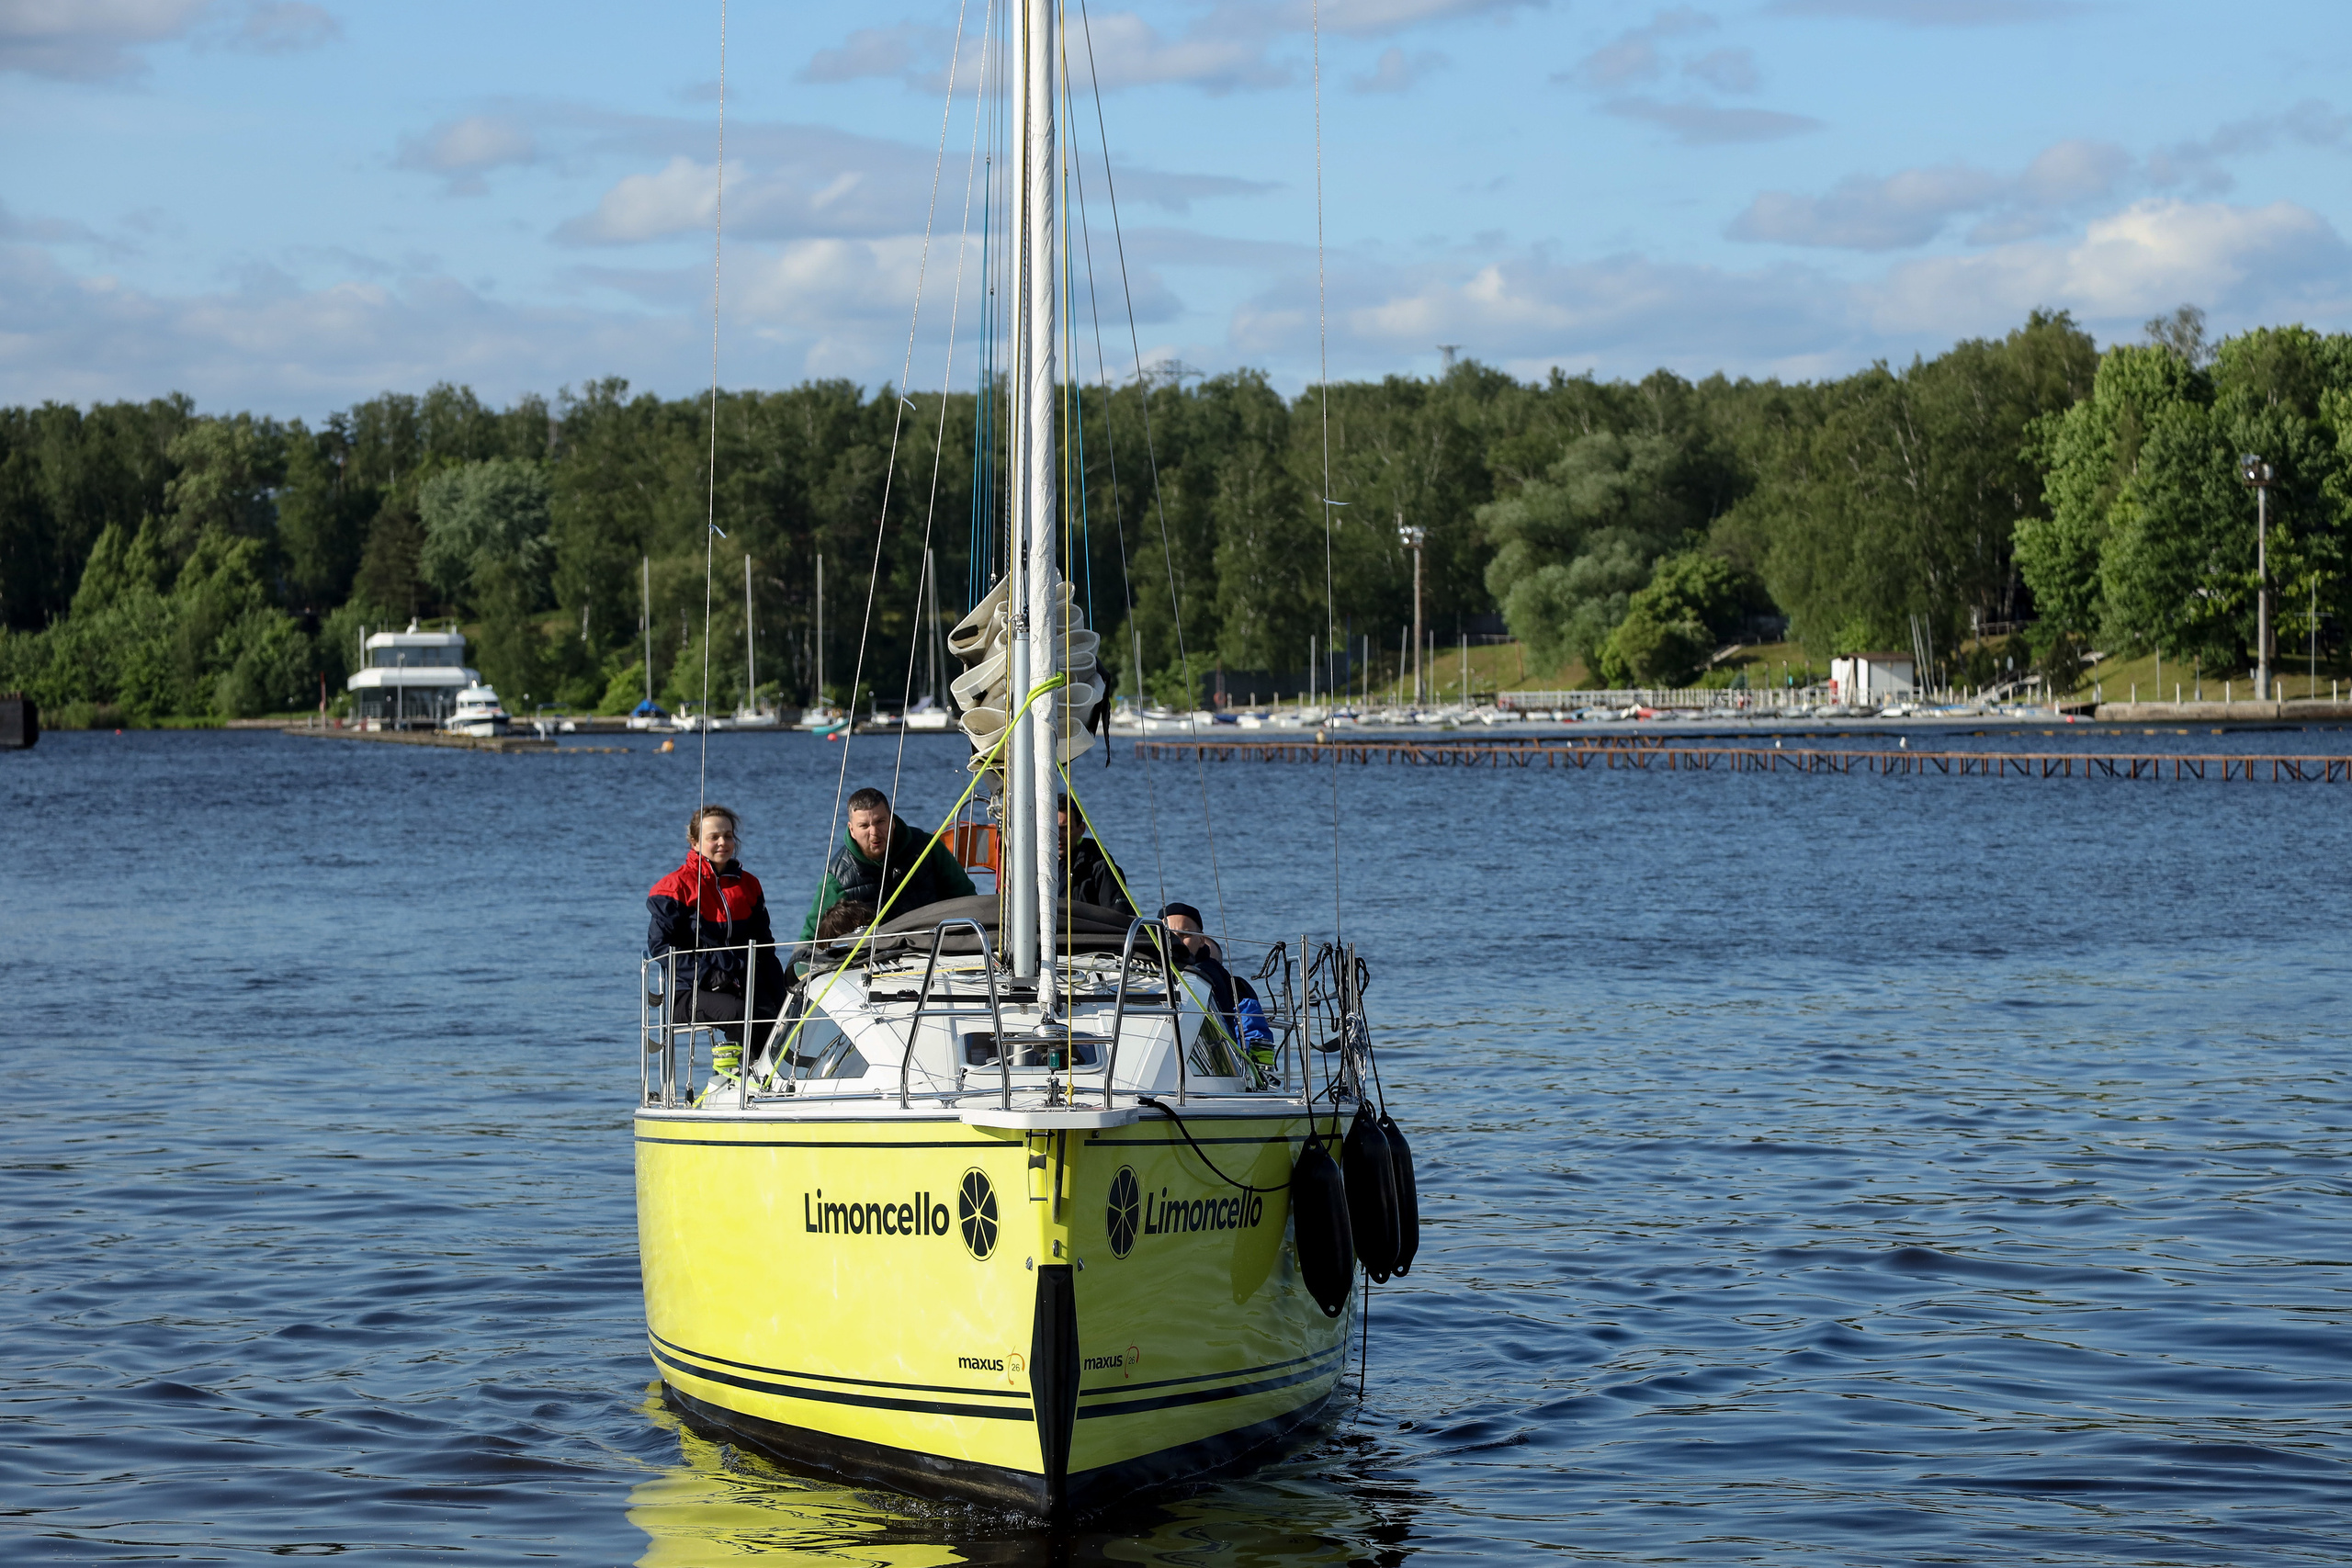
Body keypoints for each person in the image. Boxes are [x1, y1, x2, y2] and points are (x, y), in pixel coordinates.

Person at [648, 804, 787, 1077]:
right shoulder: (674, 887)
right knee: (741, 1012)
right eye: (713, 837)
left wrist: (783, 994)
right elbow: (660, 948)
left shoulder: (749, 885)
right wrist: (708, 975)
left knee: (781, 1013)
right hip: (689, 991)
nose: (723, 842)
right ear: (695, 842)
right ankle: (740, 1078)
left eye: (728, 835)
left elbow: (765, 947)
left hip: (741, 983)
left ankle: (767, 1079)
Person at [799, 787, 978, 940]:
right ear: (852, 830)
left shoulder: (928, 848)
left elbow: (968, 900)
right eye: (864, 826)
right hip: (876, 966)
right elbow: (810, 940)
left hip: (936, 951)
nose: (874, 832)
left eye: (880, 822)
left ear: (892, 822)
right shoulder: (837, 877)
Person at [1159, 900, 1277, 1074]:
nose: (1176, 942)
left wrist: (1257, 1072)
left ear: (1201, 940)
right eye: (1170, 935)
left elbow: (1253, 1033)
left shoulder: (1229, 985)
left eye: (1184, 935)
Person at [1058, 794, 1132, 915]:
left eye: (1065, 828)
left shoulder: (1101, 868)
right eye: (1051, 828)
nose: (1058, 836)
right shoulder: (1030, 866)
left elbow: (1120, 919)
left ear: (1081, 829)